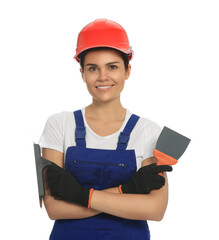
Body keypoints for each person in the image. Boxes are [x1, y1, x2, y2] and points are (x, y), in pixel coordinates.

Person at [39, 18, 172, 240]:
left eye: (112, 67)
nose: (103, 77)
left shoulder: (150, 131)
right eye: (93, 68)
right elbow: (54, 208)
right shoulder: (59, 124)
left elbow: (155, 210)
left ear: (127, 71)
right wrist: (126, 192)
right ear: (82, 73)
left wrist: (78, 195)